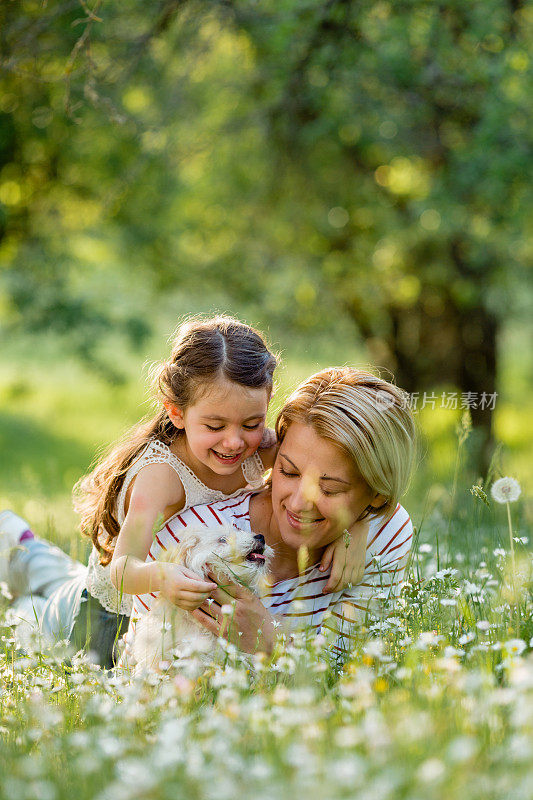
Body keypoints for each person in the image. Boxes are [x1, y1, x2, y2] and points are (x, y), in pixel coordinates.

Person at [0, 319, 368, 666]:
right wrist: (162, 577)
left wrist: (355, 531)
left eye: (252, 423)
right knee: (38, 621)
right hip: (110, 611)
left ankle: (25, 546)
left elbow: (341, 480)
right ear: (176, 413)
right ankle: (18, 551)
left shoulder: (264, 448)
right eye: (214, 425)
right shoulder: (159, 478)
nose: (235, 441)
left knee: (58, 575)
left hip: (176, 624)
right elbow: (122, 568)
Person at [124, 367, 416, 660]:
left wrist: (269, 643)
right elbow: (140, 670)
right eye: (288, 471)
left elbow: (343, 672)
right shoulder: (199, 537)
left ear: (376, 496)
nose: (300, 502)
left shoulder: (384, 536)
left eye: (329, 490)